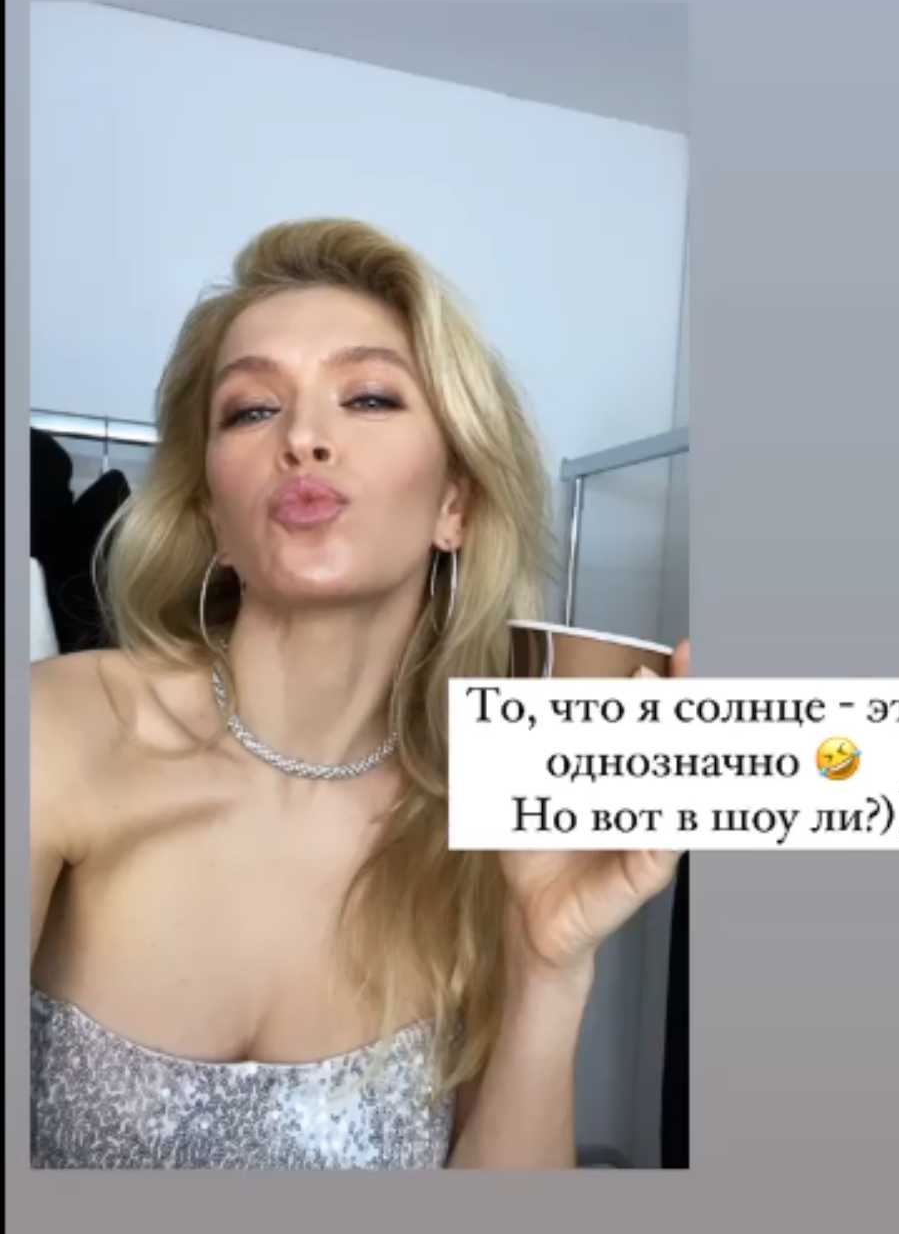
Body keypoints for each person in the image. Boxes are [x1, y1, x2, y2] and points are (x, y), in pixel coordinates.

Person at [30, 218, 691, 1170]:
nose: (303, 437)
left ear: (456, 504)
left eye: (370, 396)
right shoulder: (54, 734)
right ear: (214, 515)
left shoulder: (487, 834)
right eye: (252, 410)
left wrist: (548, 968)